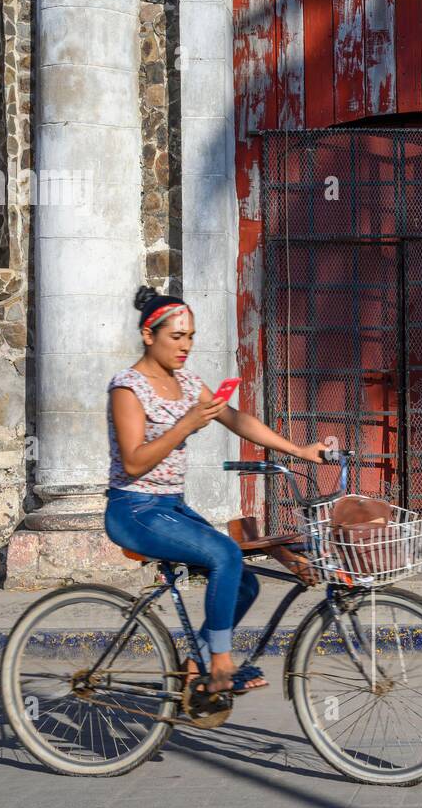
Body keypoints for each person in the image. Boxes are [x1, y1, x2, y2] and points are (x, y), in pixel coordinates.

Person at [104, 286, 326, 695]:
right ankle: (221, 663)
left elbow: (236, 419)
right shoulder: (128, 388)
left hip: (170, 507)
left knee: (245, 582)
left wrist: (299, 451)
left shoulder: (187, 382)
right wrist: (185, 425)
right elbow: (134, 462)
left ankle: (196, 668)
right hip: (134, 510)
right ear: (149, 336)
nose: (186, 346)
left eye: (190, 337)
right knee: (224, 553)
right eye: (176, 337)